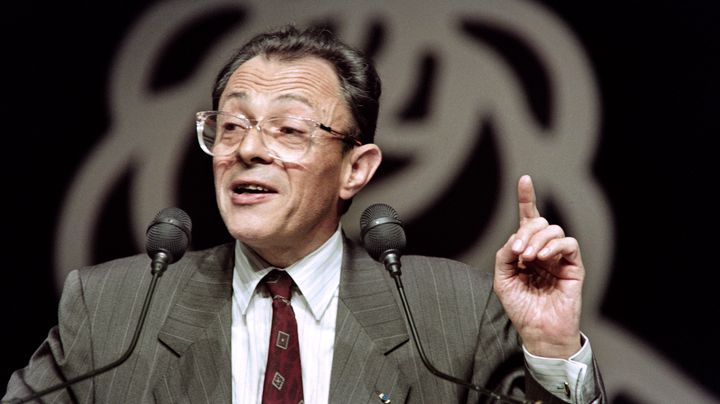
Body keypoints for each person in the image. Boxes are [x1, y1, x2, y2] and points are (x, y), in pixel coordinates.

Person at [3, 25, 605, 403]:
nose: (249, 149)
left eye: (288, 129)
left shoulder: (446, 310)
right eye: (231, 126)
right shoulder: (111, 308)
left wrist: (552, 349)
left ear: (356, 168)